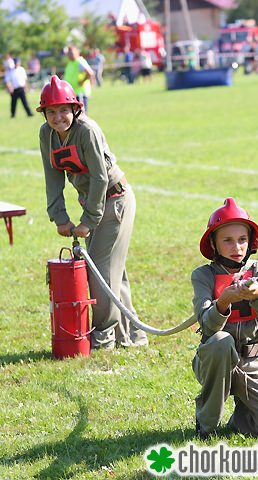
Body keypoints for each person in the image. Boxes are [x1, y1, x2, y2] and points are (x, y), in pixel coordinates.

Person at [36, 75, 148, 350]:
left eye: (64, 110)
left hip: (114, 199)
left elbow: (99, 178)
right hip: (92, 203)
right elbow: (52, 176)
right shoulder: (46, 135)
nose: (58, 117)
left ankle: (104, 335)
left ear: (76, 108)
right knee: (111, 271)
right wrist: (59, 216)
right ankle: (132, 336)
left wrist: (89, 220)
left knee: (99, 270)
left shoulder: (87, 130)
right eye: (51, 111)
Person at [191, 198, 258, 440]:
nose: (236, 247)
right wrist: (223, 302)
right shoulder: (203, 275)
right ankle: (206, 424)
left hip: (254, 364)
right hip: (216, 362)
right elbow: (206, 326)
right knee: (219, 341)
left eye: (242, 239)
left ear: (250, 242)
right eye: (227, 240)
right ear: (213, 244)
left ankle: (243, 416)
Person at [64, 45, 95, 112]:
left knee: (82, 115)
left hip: (80, 93)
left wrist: (82, 82)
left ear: (77, 52)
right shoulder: (70, 63)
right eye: (68, 53)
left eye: (71, 53)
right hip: (72, 94)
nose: (70, 55)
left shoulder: (80, 61)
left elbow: (90, 73)